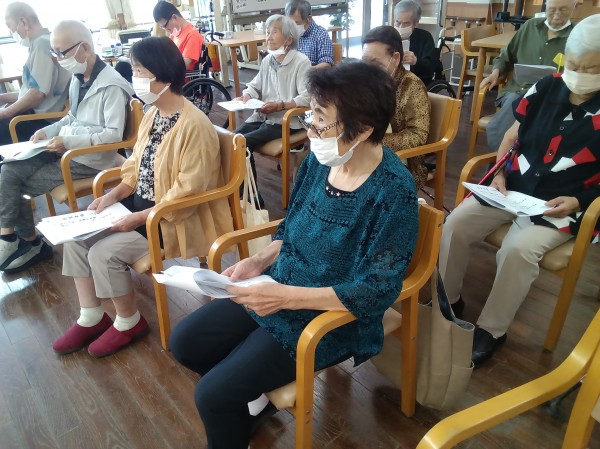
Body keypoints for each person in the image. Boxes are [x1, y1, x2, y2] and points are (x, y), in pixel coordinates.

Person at [169, 61, 419, 449]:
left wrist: (284, 297)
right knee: (185, 343)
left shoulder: (393, 192)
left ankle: (237, 408)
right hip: (280, 284)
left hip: (332, 314)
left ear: (364, 129)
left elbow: (375, 291)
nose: (311, 131)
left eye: (321, 122)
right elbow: (293, 225)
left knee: (212, 395)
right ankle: (249, 403)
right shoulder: (321, 161)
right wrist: (259, 261)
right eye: (311, 117)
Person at [51, 36, 233, 357]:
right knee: (75, 240)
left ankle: (128, 321)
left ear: (164, 75)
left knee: (103, 253)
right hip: (137, 210)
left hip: (167, 220)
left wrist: (135, 219)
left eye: (139, 70)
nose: (133, 76)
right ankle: (91, 316)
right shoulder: (152, 112)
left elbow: (187, 194)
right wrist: (113, 196)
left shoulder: (195, 126)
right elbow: (134, 167)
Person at [439, 14, 600, 368]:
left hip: (561, 202)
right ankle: (448, 300)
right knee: (455, 224)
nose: (578, 73)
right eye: (574, 64)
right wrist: (498, 172)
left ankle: (492, 329)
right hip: (512, 185)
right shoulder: (546, 87)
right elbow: (512, 135)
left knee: (517, 250)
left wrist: (579, 201)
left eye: (591, 68)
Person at [0, 20, 133, 274]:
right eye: (55, 53)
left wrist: (68, 140)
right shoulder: (79, 78)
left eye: (62, 53)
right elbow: (71, 118)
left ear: (85, 48)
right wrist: (48, 132)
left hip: (89, 159)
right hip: (68, 149)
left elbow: (113, 135)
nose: (58, 59)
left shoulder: (112, 86)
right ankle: (17, 239)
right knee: (9, 168)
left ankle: (25, 241)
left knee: (15, 183)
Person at [481, 0, 577, 152]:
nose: (557, 15)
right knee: (515, 106)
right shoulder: (530, 27)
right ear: (546, 7)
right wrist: (496, 72)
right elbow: (506, 56)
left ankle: (503, 161)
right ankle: (501, 160)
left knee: (527, 117)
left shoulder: (577, 36)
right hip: (517, 91)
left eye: (563, 10)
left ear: (573, 7)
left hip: (550, 98)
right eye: (552, 10)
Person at [234, 14, 310, 203]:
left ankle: (252, 197)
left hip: (288, 121)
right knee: (233, 139)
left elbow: (308, 98)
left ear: (289, 39)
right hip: (265, 117)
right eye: (267, 32)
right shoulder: (268, 60)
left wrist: (281, 105)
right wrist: (247, 95)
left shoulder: (301, 62)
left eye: (274, 32)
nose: (268, 37)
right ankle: (241, 194)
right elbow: (255, 85)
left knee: (243, 143)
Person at [362, 26, 430, 188]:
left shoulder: (412, 86)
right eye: (364, 62)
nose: (368, 69)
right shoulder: (364, 82)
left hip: (401, 161)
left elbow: (418, 135)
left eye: (375, 63)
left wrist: (373, 141)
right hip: (366, 153)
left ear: (396, 58)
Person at [0, 2, 70, 145]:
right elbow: (33, 91)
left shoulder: (42, 45)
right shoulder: (40, 43)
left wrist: (6, 113)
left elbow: (37, 93)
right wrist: (4, 98)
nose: (11, 32)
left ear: (23, 22)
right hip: (37, 114)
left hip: (44, 120)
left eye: (9, 25)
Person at [393, 0, 437, 87]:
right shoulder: (388, 35)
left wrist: (415, 62)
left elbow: (430, 69)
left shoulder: (425, 37)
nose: (401, 27)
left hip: (417, 83)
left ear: (416, 23)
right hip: (392, 81)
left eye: (406, 23)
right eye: (398, 22)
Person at [153, 0, 203, 71]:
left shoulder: (192, 35)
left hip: (182, 76)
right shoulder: (174, 35)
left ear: (174, 17)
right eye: (162, 27)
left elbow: (183, 65)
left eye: (165, 26)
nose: (166, 30)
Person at [285, 0, 334, 68]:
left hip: (312, 72)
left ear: (309, 18)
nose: (293, 27)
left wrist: (305, 71)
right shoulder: (287, 34)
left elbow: (326, 64)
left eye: (297, 23)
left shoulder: (321, 34)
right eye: (290, 23)